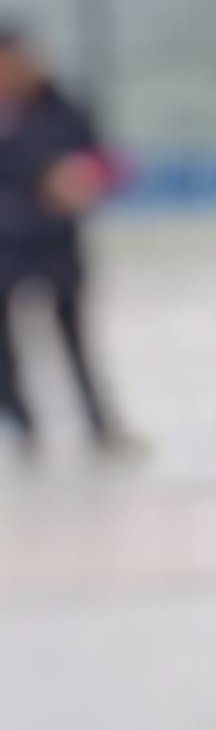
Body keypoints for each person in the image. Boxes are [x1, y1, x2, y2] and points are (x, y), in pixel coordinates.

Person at [0, 23, 133, 458]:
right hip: (7, 246)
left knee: (75, 339)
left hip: (58, 244)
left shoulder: (63, 106)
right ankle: (22, 427)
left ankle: (98, 425)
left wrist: (83, 179)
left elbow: (106, 162)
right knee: (7, 347)